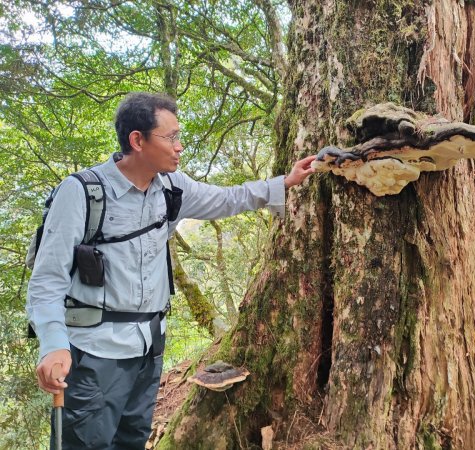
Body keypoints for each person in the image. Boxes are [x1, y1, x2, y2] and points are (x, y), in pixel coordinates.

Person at [26, 92, 316, 449]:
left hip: (149, 349)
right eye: (171, 137)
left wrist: (283, 182)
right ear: (137, 140)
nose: (179, 147)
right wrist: (53, 345)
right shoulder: (83, 193)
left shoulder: (171, 188)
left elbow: (226, 198)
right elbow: (47, 280)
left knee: (131, 441)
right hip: (95, 355)